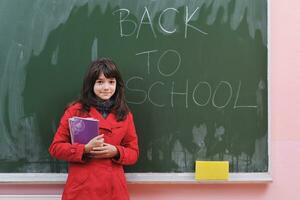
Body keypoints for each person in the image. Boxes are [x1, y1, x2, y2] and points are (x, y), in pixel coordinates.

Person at [49, 58, 139, 200]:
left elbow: (133, 152)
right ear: (91, 84)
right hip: (82, 190)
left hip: (113, 189)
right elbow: (55, 148)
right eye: (100, 82)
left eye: (111, 82)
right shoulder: (75, 111)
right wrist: (84, 149)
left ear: (117, 84)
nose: (106, 87)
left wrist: (116, 151)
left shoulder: (125, 114)